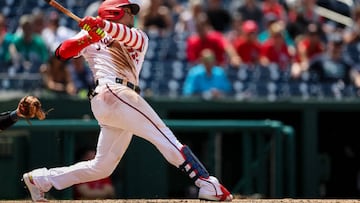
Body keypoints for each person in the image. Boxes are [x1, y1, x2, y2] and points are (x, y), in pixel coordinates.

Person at [21, 0, 233, 202]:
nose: (132, 15)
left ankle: (40, 179)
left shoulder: (138, 36)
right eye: (128, 11)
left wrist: (100, 25)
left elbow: (126, 36)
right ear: (115, 11)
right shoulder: (90, 33)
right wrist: (88, 38)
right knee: (165, 137)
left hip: (117, 99)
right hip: (113, 92)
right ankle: (207, 183)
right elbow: (61, 53)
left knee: (101, 167)